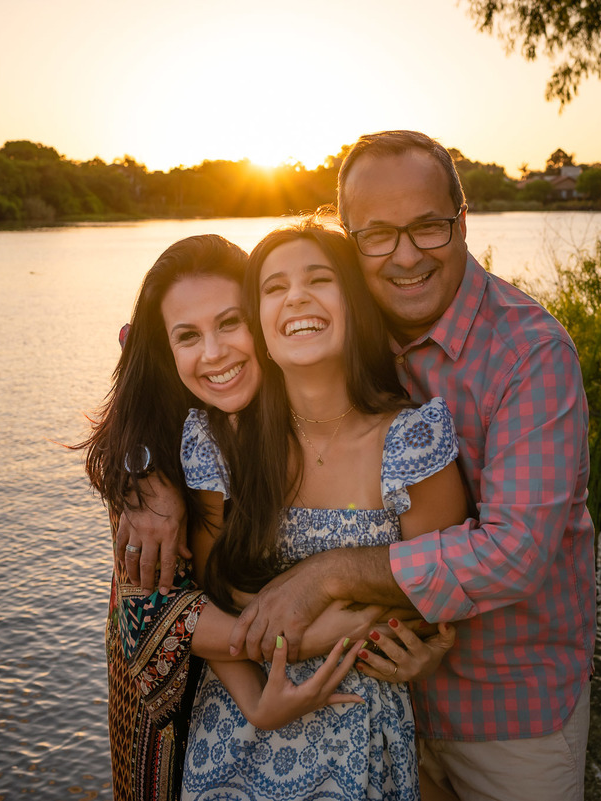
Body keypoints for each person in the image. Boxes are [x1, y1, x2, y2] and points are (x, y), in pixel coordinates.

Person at [224, 131, 597, 801]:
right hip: (370, 705)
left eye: (428, 227)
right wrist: (144, 483)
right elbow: (188, 357)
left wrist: (329, 575)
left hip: (507, 710)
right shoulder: (338, 323)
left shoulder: (530, 353)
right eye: (377, 235)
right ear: (351, 240)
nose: (405, 256)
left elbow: (515, 552)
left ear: (462, 220)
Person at [80, 234, 384, 800]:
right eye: (188, 336)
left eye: (230, 322)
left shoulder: (307, 392)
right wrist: (144, 472)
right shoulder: (166, 441)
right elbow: (149, 615)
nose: (215, 352)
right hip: (175, 708)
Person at [179, 218, 466, 800]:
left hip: (362, 728)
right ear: (258, 323)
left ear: (354, 302)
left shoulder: (412, 440)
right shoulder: (220, 441)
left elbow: (437, 592)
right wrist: (266, 690)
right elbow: (201, 594)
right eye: (274, 287)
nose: (296, 298)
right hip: (235, 731)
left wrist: (420, 643)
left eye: (318, 279)